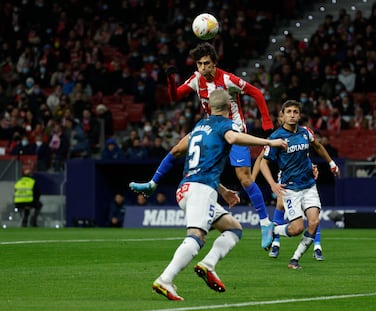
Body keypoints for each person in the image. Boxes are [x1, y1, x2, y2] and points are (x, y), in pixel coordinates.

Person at [136, 89, 286, 300]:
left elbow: (177, 152)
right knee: (196, 236)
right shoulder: (226, 125)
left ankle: (208, 265)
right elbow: (233, 137)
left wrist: (222, 190)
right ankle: (165, 280)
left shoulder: (199, 127)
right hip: (200, 190)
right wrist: (269, 142)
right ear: (229, 108)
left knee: (234, 228)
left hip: (187, 188)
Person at [130, 42, 276, 250]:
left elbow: (257, 93)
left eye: (206, 64)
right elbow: (174, 97)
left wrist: (266, 122)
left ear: (214, 63)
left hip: (232, 129)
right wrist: (171, 80)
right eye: (199, 64)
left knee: (244, 178)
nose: (203, 68)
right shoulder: (196, 78)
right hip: (210, 129)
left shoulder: (228, 79)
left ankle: (265, 223)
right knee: (177, 149)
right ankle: (152, 184)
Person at [259, 100, 340, 269]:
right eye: (288, 111)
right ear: (282, 115)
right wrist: (273, 184)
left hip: (309, 186)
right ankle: (273, 230)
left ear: (299, 115)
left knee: (314, 222)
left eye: (295, 111)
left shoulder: (305, 132)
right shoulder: (276, 137)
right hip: (291, 189)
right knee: (296, 229)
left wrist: (331, 163)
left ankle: (294, 259)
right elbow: (263, 163)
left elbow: (317, 146)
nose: (292, 115)